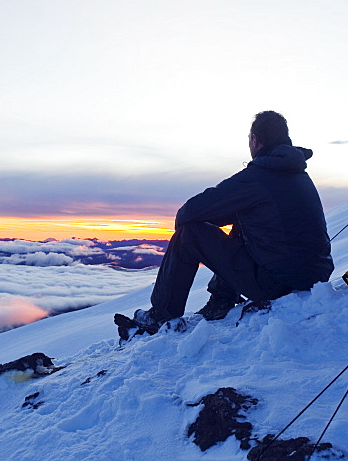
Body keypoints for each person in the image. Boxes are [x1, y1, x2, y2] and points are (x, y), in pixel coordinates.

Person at [116, 111, 334, 340]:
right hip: (314, 276)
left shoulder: (258, 176)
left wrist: (208, 225)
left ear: (255, 140)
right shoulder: (297, 174)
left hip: (279, 283)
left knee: (188, 233)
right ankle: (222, 298)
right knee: (243, 214)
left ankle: (161, 315)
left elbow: (187, 214)